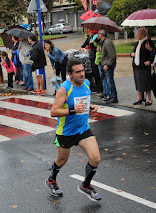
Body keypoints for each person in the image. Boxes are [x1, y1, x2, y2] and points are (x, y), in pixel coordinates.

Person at [46, 58, 101, 201]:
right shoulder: (64, 89)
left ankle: (86, 186)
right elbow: (53, 112)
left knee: (95, 159)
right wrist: (73, 110)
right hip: (66, 132)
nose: (82, 74)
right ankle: (51, 180)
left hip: (83, 129)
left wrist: (92, 107)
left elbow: (85, 102)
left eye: (82, 71)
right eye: (78, 72)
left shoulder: (87, 84)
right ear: (70, 74)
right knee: (62, 160)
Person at [130, 28, 156, 106]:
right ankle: (139, 98)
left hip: (144, 66)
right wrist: (131, 54)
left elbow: (153, 52)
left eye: (138, 34)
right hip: (136, 66)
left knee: (147, 83)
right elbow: (133, 52)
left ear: (142, 35)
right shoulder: (138, 43)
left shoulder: (148, 42)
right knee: (138, 82)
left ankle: (149, 99)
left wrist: (150, 61)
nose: (137, 36)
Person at [98, 28, 118, 104]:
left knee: (110, 81)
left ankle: (114, 96)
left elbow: (112, 55)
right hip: (105, 63)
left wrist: (107, 64)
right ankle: (110, 95)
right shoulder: (103, 42)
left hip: (108, 65)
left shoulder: (107, 42)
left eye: (99, 33)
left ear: (102, 34)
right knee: (107, 80)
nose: (98, 35)